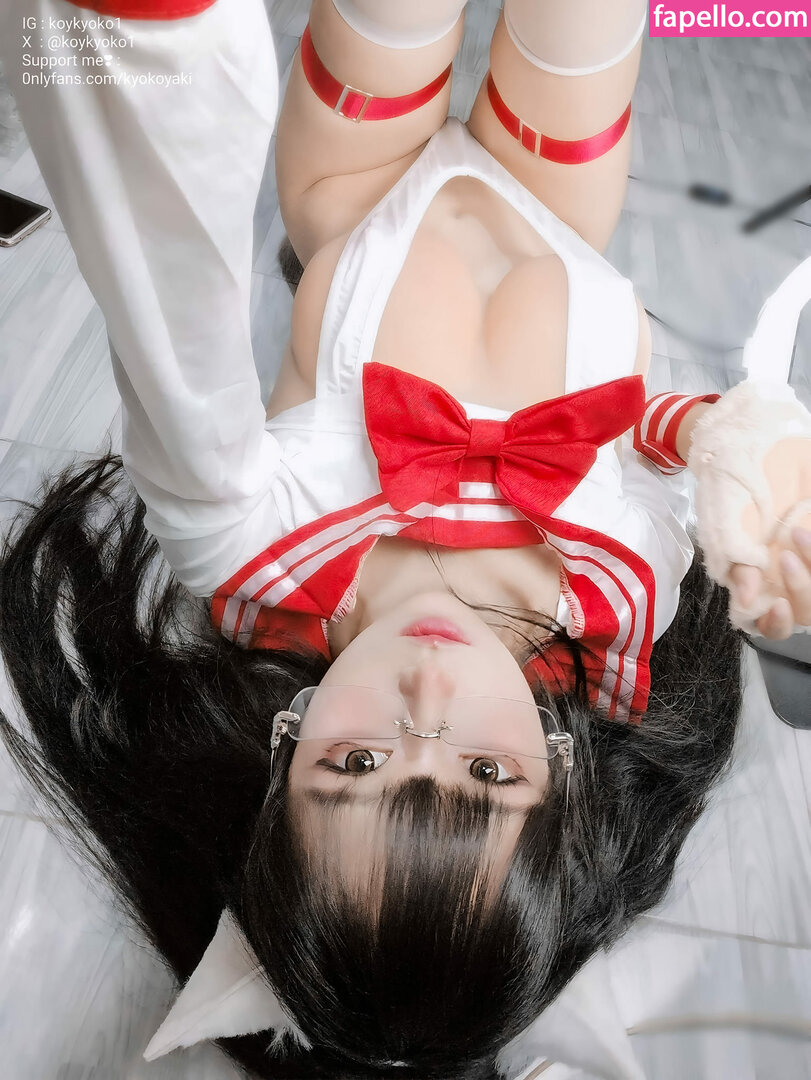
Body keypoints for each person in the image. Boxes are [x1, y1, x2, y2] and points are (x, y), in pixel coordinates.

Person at [1, 0, 810, 1077]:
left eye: (358, 761)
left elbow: (166, 313)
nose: (427, 696)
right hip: (558, 203)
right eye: (486, 769)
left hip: (360, 171)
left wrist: (144, 27)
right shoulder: (621, 594)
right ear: (558, 776)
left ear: (283, 755)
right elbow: (635, 428)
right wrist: (730, 446)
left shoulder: (252, 547)